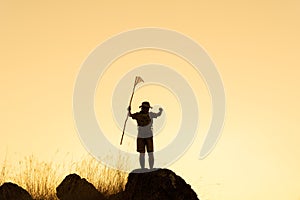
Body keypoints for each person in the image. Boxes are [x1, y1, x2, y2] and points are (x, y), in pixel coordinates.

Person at [128, 101, 163, 169]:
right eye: (145, 108)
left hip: (148, 135)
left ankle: (150, 168)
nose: (146, 109)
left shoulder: (150, 114)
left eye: (147, 108)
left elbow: (158, 114)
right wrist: (129, 111)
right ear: (142, 108)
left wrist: (160, 111)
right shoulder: (139, 115)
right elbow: (130, 115)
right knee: (142, 153)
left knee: (150, 153)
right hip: (142, 136)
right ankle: (143, 168)